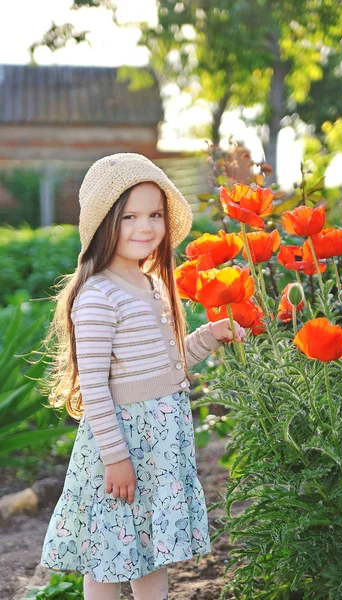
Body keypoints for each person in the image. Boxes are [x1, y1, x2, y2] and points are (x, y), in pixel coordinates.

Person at [38, 153, 246, 600]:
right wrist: (115, 457)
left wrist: (210, 335)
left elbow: (165, 368)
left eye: (154, 215)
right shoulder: (98, 295)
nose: (145, 227)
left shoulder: (150, 284)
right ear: (103, 223)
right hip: (125, 442)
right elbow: (94, 385)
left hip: (160, 442)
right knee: (110, 554)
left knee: (152, 550)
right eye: (130, 216)